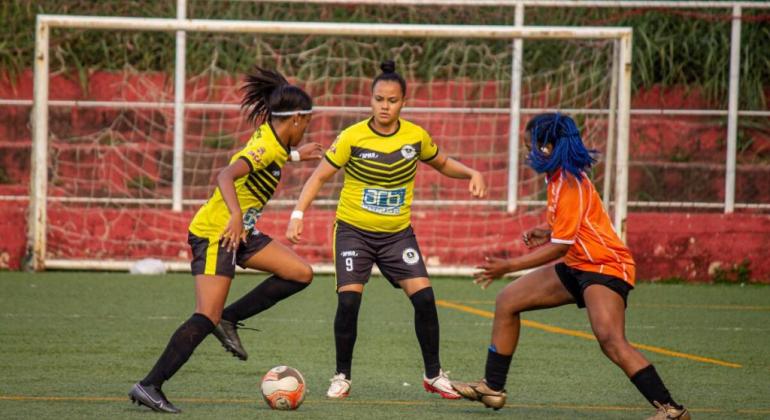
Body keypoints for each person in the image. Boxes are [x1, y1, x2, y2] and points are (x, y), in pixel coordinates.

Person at [450, 113, 689, 420]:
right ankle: (492, 387)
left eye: (530, 146)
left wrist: (508, 265)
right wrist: (546, 231)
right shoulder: (558, 177)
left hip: (604, 266)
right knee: (508, 301)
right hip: (578, 264)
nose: (527, 153)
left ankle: (672, 410)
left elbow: (561, 247)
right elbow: (574, 229)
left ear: (548, 148)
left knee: (610, 339)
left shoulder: (570, 182)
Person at [286, 60, 487, 400]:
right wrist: (297, 213)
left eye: (391, 100)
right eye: (379, 99)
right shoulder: (352, 137)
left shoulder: (415, 136)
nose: (384, 106)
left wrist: (471, 173)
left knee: (425, 299)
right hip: (354, 232)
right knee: (349, 302)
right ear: (371, 100)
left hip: (397, 235)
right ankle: (342, 376)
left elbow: (441, 162)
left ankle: (433, 375)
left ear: (403, 102)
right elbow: (319, 175)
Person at [128, 66, 323, 413]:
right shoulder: (266, 146)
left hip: (242, 232)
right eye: (305, 122)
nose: (307, 128)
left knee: (299, 273)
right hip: (219, 231)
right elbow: (226, 174)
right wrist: (235, 215)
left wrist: (296, 155)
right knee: (204, 315)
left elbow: (270, 154)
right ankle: (150, 385)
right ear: (294, 119)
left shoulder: (275, 141)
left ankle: (228, 318)